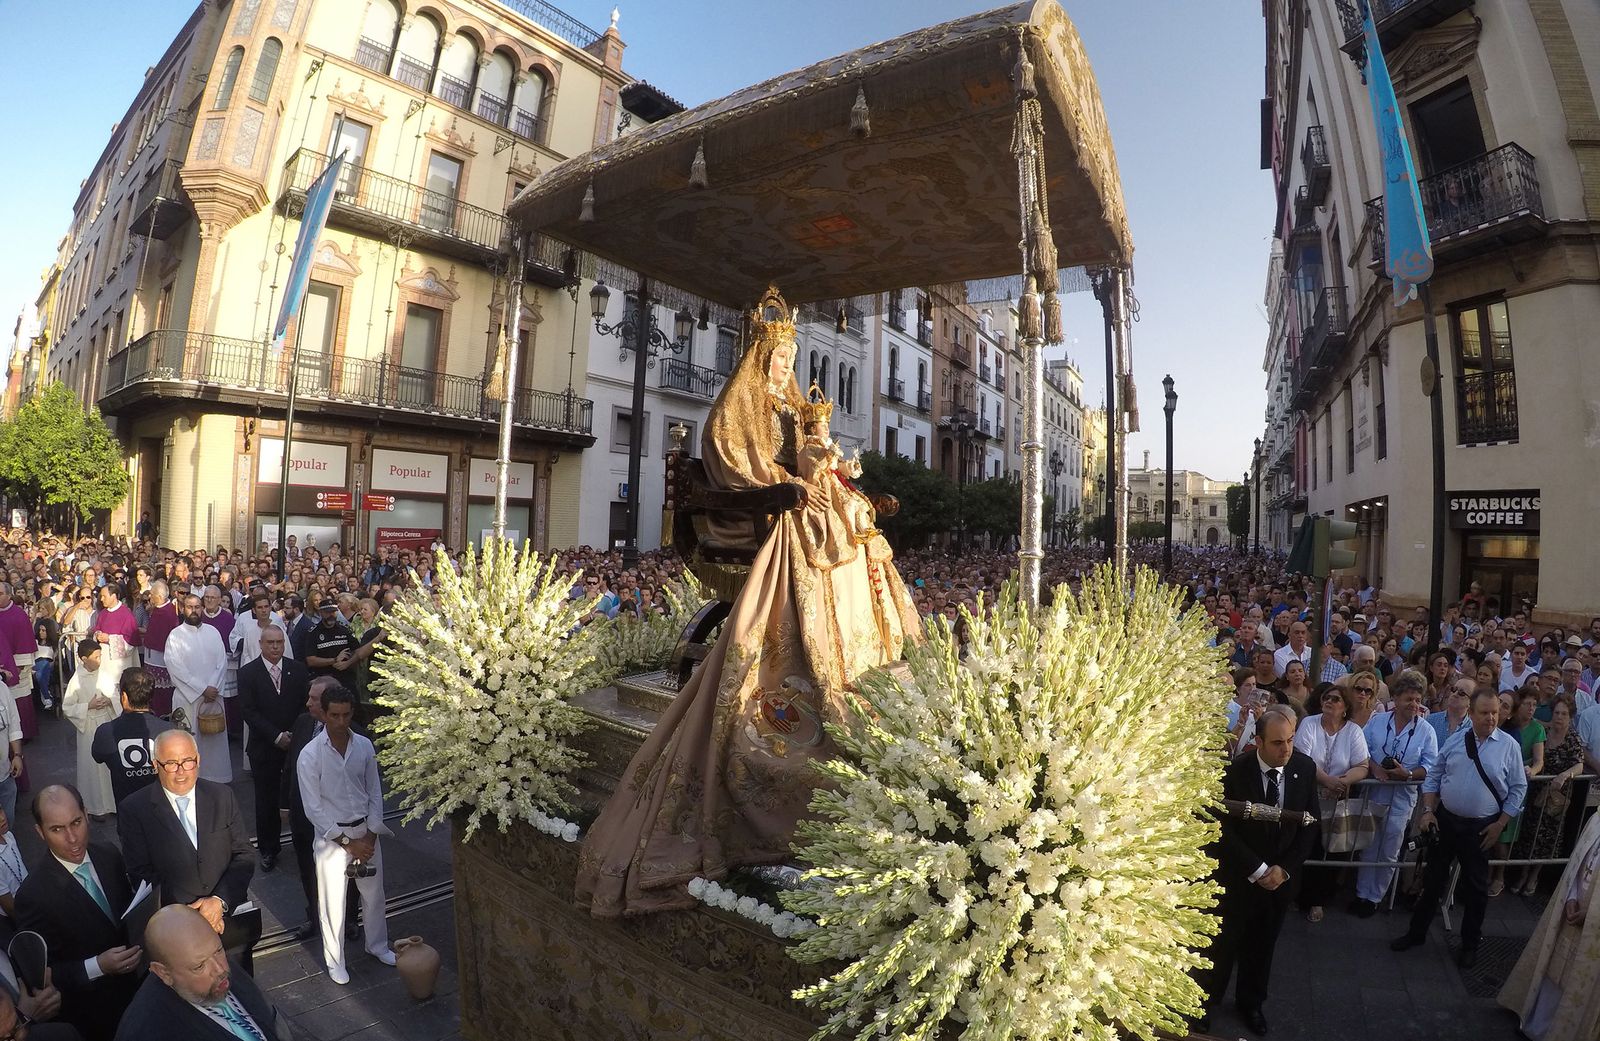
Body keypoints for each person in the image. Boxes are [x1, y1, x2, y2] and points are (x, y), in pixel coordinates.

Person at [575, 292, 920, 917]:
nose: (786, 368)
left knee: (854, 521)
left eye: (791, 357)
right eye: (778, 357)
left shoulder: (790, 403)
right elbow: (737, 466)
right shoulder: (736, 406)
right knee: (828, 526)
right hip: (745, 517)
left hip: (786, 500)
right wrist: (789, 483)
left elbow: (801, 461)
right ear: (761, 357)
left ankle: (862, 661)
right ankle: (817, 658)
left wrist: (823, 464)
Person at [1193, 708, 1318, 1037]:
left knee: (1262, 947)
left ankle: (1251, 1004)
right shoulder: (1236, 772)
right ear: (1258, 741)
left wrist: (1284, 870)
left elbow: (1309, 826)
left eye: (1290, 740)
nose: (1287, 750)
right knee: (1222, 945)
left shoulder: (1303, 769)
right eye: (1278, 743)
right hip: (1239, 879)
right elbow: (1223, 829)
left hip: (1279, 883)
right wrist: (1258, 868)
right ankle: (1206, 1004)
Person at [1392, 689, 1529, 968]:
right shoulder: (1456, 741)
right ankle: (1416, 933)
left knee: (1476, 889)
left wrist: (1500, 824)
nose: (1491, 717)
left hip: (1482, 828)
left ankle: (1469, 945)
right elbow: (1433, 777)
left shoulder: (1509, 746)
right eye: (1484, 712)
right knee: (1432, 881)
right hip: (1446, 821)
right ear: (1472, 712)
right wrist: (1429, 811)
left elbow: (1518, 789)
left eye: (1495, 712)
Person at [116, 731, 258, 973]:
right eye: (171, 763)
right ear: (155, 765)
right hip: (178, 934)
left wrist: (218, 902)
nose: (181, 771)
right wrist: (192, 913)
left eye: (187, 761)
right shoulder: (134, 810)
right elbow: (140, 873)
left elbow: (243, 854)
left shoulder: (222, 796)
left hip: (228, 922)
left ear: (199, 760)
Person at [14, 785, 142, 1041]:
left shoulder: (108, 854)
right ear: (40, 832)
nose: (73, 838)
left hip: (138, 995)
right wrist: (98, 966)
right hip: (94, 1015)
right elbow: (43, 976)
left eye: (76, 822)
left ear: (85, 813)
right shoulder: (32, 895)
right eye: (57, 829)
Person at [297, 685, 395, 985]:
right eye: (334, 716)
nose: (341, 722)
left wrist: (371, 835)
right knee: (332, 901)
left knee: (374, 895)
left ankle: (377, 945)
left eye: (346, 715)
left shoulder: (365, 746)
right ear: (323, 715)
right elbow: (312, 808)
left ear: (352, 714)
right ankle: (335, 960)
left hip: (365, 832)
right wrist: (347, 842)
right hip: (332, 839)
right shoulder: (310, 755)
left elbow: (375, 792)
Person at [1497, 809, 1600, 1040]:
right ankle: (1538, 1025)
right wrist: (1572, 896)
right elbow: (1578, 863)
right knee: (1556, 970)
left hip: (1594, 925)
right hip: (1573, 909)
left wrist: (1592, 913)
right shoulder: (1597, 819)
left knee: (1578, 982)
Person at [113, 904, 287, 1041]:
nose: (221, 969)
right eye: (199, 967)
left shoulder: (210, 960)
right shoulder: (146, 1032)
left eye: (219, 950)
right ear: (163, 973)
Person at [1350, 671, 1437, 916]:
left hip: (1402, 798)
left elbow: (1430, 765)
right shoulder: (1377, 721)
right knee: (1368, 845)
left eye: (1417, 699)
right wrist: (1376, 767)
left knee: (1389, 849)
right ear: (1396, 699)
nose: (1413, 704)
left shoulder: (1426, 731)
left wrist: (1407, 774)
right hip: (1374, 792)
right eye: (1408, 699)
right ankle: (1361, 894)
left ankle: (1375, 897)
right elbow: (1362, 749)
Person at [1293, 685, 1370, 922]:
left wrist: (1341, 783)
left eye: (1336, 699)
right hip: (1309, 796)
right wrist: (1327, 781)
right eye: (1326, 698)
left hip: (1338, 799)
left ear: (1345, 707)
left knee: (1333, 849)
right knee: (1307, 846)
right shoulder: (1309, 723)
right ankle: (1299, 897)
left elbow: (1363, 765)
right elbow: (1302, 758)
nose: (1329, 701)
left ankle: (1319, 900)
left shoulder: (1354, 731)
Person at [236, 626, 308, 873]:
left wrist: (293, 735)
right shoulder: (247, 673)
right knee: (266, 801)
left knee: (298, 798)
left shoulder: (297, 670)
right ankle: (268, 848)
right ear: (261, 644)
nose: (276, 647)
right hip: (264, 747)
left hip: (294, 744)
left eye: (279, 642)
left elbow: (304, 705)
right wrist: (276, 736)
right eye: (271, 643)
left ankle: (304, 846)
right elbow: (248, 711)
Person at [1511, 692, 1585, 897]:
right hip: (1537, 791)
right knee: (1529, 832)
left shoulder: (1573, 738)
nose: (1559, 717)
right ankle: (1523, 873)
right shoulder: (1543, 731)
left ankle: (1534, 876)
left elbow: (1579, 764)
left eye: (1564, 713)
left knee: (1549, 837)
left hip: (1557, 795)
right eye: (1557, 712)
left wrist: (1565, 775)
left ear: (1570, 716)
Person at [163, 595, 231, 783]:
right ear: (182, 609)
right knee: (188, 743)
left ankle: (216, 779)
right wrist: (202, 689)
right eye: (189, 607)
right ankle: (189, 780)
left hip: (213, 697)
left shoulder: (213, 632)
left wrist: (213, 688)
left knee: (213, 743)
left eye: (197, 607)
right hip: (188, 699)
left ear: (202, 608)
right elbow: (175, 668)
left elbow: (222, 662)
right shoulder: (175, 635)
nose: (194, 610)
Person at [90, 667, 176, 809]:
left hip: (127, 813)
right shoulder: (170, 730)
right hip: (164, 812)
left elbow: (98, 756)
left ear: (123, 697)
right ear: (151, 696)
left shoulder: (105, 732)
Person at [1490, 689, 1546, 898]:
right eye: (1527, 704)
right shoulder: (1493, 724)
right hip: (1492, 789)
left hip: (1513, 788)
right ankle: (1488, 873)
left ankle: (1499, 876)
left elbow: (1539, 761)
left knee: (1501, 837)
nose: (1531, 708)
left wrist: (1532, 769)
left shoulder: (1526, 732)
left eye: (1534, 705)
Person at [60, 641, 120, 818]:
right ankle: (95, 807)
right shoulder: (76, 681)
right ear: (84, 659)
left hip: (107, 723)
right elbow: (67, 707)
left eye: (100, 656)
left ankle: (112, 804)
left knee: (110, 766)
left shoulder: (104, 674)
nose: (99, 660)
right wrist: (89, 706)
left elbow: (115, 694)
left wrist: (110, 701)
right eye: (96, 657)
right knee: (92, 767)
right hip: (89, 727)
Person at [0, 583, 39, 741]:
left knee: (19, 699)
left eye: (0, 593)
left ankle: (24, 735)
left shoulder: (18, 615)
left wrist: (16, 667)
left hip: (17, 665)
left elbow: (25, 642)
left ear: (9, 595)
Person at [141, 581, 179, 717]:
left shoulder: (168, 612)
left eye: (152, 595)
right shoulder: (157, 609)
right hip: (151, 657)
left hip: (160, 659)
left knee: (161, 692)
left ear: (159, 596)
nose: (150, 598)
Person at [90, 583, 139, 682]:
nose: (101, 599)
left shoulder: (126, 614)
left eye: (104, 596)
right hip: (104, 662)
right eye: (101, 596)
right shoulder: (103, 613)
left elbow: (130, 642)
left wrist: (109, 638)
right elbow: (97, 630)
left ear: (113, 596)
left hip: (119, 664)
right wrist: (97, 635)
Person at [1427, 676, 1474, 749]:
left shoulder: (1473, 730)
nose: (1455, 694)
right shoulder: (1430, 721)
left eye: (1461, 693)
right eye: (1453, 689)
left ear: (1471, 702)